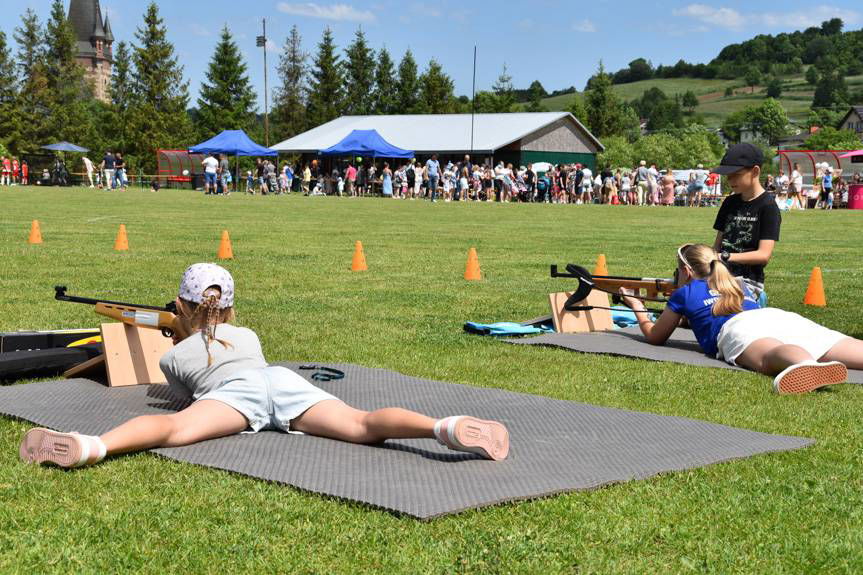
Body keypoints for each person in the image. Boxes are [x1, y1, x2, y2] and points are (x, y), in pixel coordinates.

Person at [18, 263, 510, 468]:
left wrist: (180, 336)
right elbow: (221, 339)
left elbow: (186, 388)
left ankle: (90, 447)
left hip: (236, 395)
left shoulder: (173, 355)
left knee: (170, 429)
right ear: (230, 311)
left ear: (178, 306)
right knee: (362, 424)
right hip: (279, 381)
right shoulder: (247, 333)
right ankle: (446, 427)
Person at [619, 244, 862, 394]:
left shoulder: (684, 293)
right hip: (772, 315)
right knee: (833, 343)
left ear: (686, 271)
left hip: (736, 328)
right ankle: (812, 361)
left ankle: (807, 365)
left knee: (770, 356)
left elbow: (655, 336)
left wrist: (637, 305)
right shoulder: (735, 282)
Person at [711, 143, 781, 305]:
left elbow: (763, 255)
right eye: (727, 175)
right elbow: (717, 245)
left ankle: (758, 301)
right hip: (721, 276)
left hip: (748, 282)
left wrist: (724, 257)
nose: (729, 180)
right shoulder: (729, 202)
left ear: (755, 171)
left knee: (715, 307)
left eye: (735, 174)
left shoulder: (768, 207)